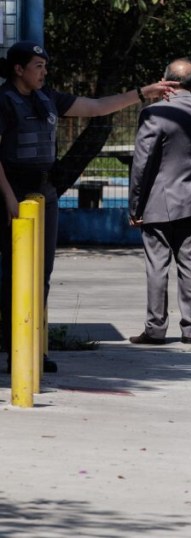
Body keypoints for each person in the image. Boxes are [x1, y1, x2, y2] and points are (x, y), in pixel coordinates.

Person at [0, 40, 175, 372]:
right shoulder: (4, 101)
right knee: (13, 273)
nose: (44, 72)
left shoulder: (47, 98)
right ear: (18, 69)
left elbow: (96, 107)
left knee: (41, 274)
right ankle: (14, 348)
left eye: (45, 66)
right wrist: (9, 199)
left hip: (43, 191)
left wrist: (142, 93)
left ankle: (34, 348)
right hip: (12, 191)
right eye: (38, 66)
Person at [127, 58, 191, 345]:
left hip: (158, 203)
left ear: (164, 82)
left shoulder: (154, 113)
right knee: (190, 263)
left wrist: (135, 206)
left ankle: (156, 329)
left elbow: (142, 163)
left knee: (157, 266)